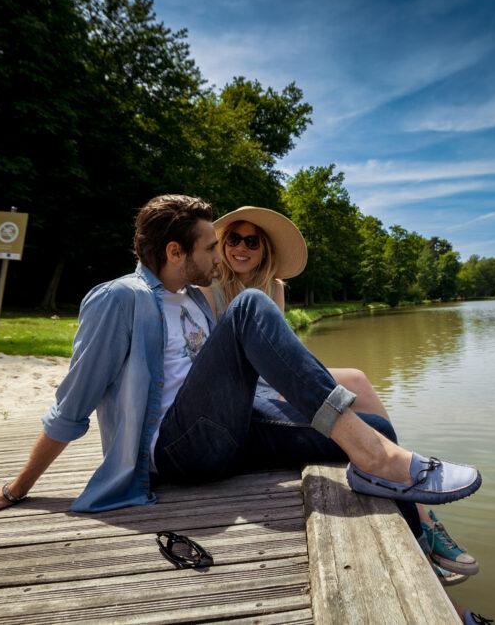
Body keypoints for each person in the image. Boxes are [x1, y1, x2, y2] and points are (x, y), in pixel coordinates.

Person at [0, 195, 481, 529]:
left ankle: (417, 531)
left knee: (374, 423)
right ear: (176, 253)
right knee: (251, 308)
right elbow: (70, 407)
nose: (219, 256)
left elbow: (235, 373)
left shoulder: (194, 300)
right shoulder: (120, 300)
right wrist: (14, 489)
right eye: (210, 247)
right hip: (176, 450)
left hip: (225, 432)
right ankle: (384, 459)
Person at [201, 207, 479, 582]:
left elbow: (283, 352)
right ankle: (416, 508)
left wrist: (300, 388)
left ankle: (420, 508)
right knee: (351, 412)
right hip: (239, 386)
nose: (241, 248)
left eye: (252, 241)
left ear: (264, 249)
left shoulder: (274, 287)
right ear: (223, 243)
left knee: (359, 379)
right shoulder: (210, 285)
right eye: (233, 239)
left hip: (271, 379)